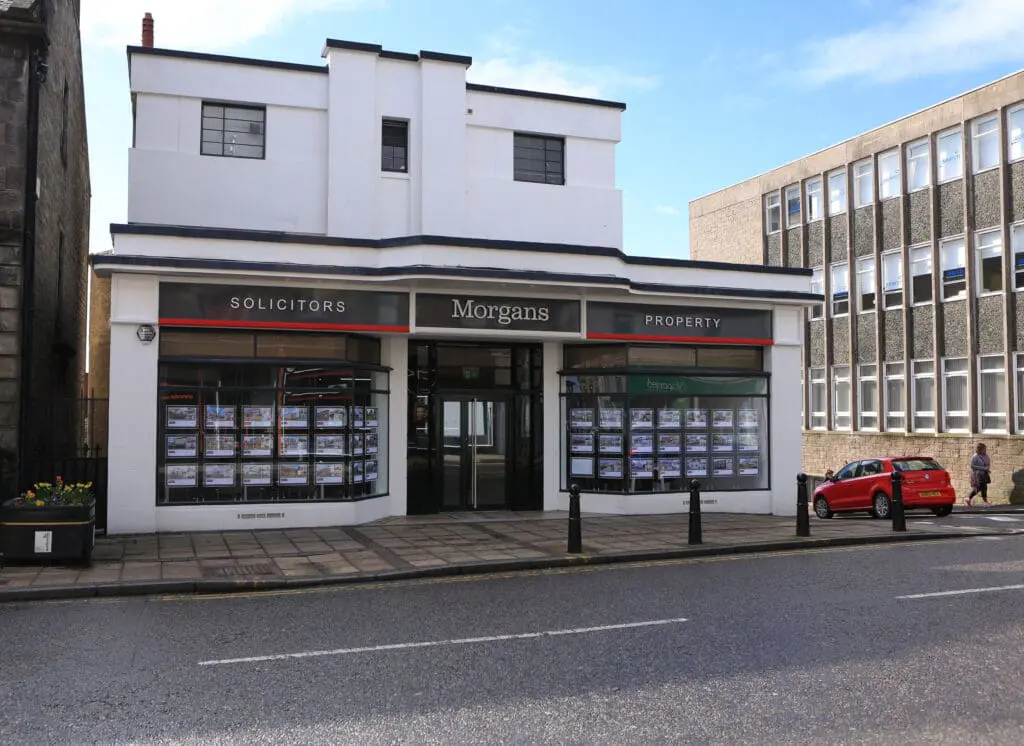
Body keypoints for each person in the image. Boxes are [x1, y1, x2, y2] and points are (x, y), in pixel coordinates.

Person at [966, 443, 991, 507]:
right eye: (984, 449)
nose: (985, 450)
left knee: (979, 488)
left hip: (984, 474)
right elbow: (972, 466)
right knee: (984, 488)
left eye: (985, 449)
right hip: (977, 475)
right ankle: (985, 502)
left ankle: (968, 498)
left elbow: (988, 463)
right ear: (979, 450)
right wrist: (983, 468)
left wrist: (987, 468)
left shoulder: (986, 456)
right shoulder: (975, 456)